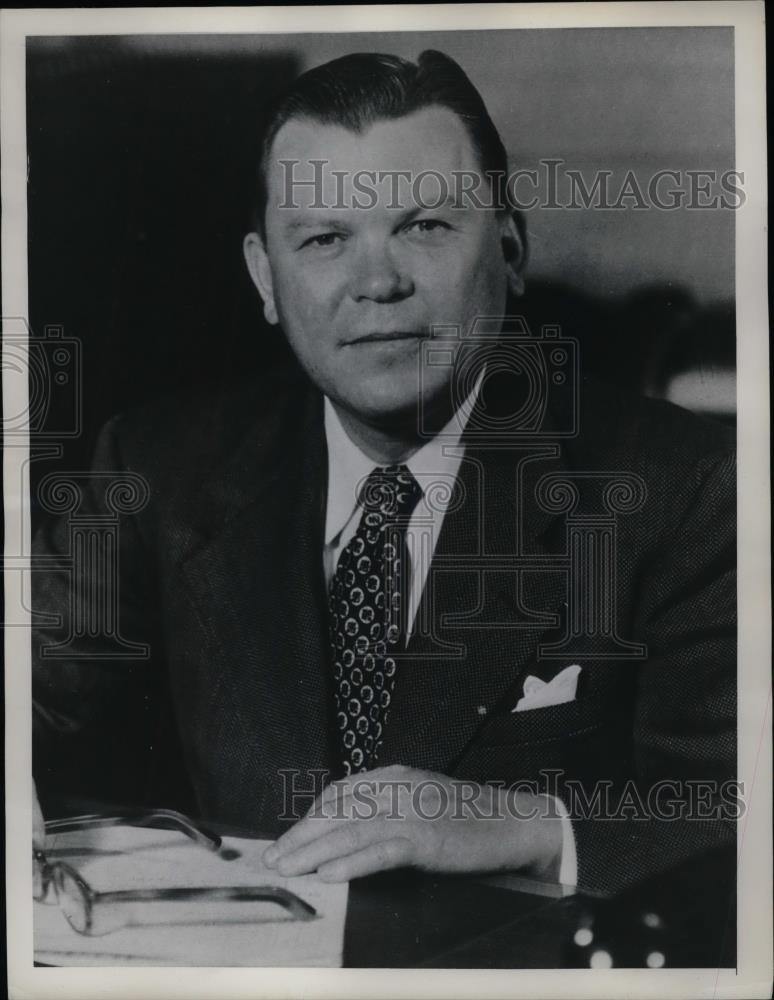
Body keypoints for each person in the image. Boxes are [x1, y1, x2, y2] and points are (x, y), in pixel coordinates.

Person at [32, 50, 736, 897]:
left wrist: (530, 826)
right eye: (325, 239)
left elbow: (739, 815)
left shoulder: (684, 488)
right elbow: (33, 716)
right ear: (265, 276)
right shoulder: (155, 469)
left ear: (511, 249)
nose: (377, 282)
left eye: (425, 227)